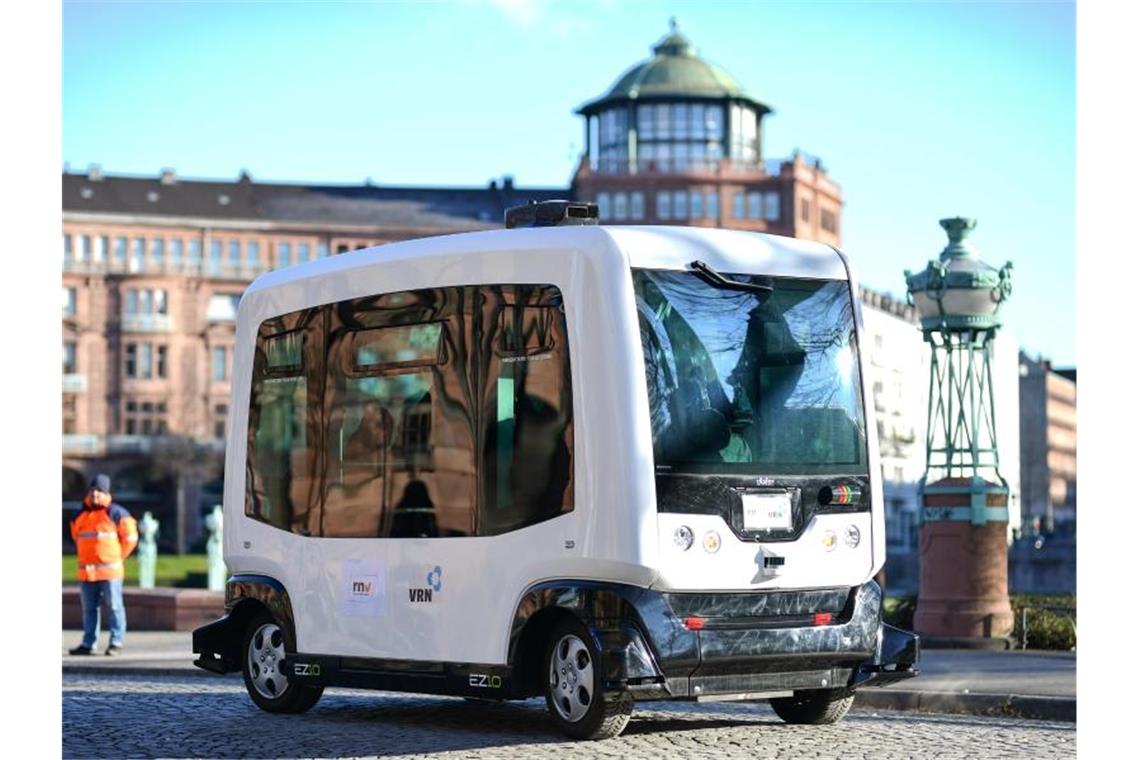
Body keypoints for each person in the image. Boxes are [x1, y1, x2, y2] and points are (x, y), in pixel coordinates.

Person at [68, 474, 138, 656]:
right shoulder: (79, 515)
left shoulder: (117, 514)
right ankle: (88, 643)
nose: (95, 495)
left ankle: (116, 643)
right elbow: (77, 539)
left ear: (107, 493)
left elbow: (130, 539)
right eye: (92, 491)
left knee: (115, 607)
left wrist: (116, 558)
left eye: (99, 491)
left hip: (110, 572)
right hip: (87, 573)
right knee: (89, 610)